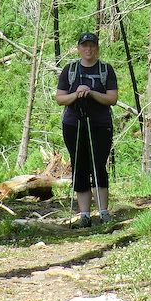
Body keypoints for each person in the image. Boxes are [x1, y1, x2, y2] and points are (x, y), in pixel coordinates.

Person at [55, 31, 118, 228]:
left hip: (100, 124)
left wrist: (91, 93)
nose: (88, 49)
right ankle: (84, 215)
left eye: (92, 45)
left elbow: (112, 99)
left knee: (98, 165)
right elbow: (60, 98)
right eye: (84, 46)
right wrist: (77, 94)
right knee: (79, 165)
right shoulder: (70, 70)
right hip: (74, 124)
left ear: (97, 48)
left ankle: (103, 212)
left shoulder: (105, 70)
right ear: (79, 48)